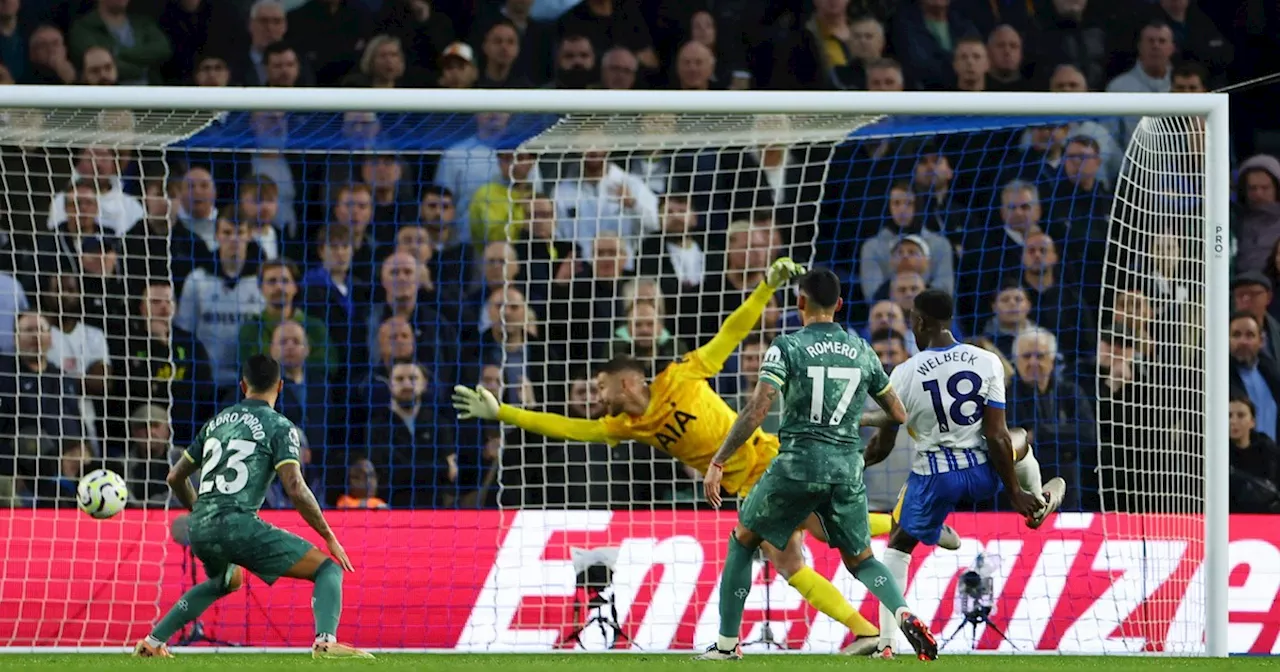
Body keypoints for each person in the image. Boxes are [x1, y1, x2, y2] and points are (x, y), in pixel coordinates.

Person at [452, 257, 955, 653]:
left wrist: (762, 289)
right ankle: (909, 540)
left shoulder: (684, 373)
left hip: (768, 461)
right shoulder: (628, 426)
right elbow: (570, 428)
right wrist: (504, 414)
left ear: (628, 381)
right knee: (825, 539)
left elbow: (732, 332)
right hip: (760, 475)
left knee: (784, 555)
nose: (597, 396)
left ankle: (853, 626)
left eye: (603, 387)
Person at [695, 268, 937, 661]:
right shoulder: (863, 350)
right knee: (863, 561)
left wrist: (719, 460)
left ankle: (726, 646)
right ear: (840, 305)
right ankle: (903, 611)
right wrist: (850, 417)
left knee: (743, 540)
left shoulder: (786, 346)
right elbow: (897, 412)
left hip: (796, 466)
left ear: (799, 302)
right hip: (845, 469)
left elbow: (758, 409)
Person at [863, 288, 1066, 658]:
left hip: (934, 480)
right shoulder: (986, 360)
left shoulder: (904, 374)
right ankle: (1036, 501)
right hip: (983, 472)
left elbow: (883, 445)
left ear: (920, 322)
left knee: (898, 545)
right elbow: (996, 434)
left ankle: (887, 644)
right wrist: (1013, 492)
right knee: (1018, 437)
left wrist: (856, 464)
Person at [133, 354, 373, 660]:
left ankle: (152, 643)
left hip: (201, 526)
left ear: (243, 385)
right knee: (328, 569)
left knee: (224, 581)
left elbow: (174, 477)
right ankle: (325, 642)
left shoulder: (216, 423)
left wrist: (200, 511)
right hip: (238, 524)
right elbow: (296, 488)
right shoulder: (279, 426)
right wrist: (328, 536)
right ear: (281, 386)